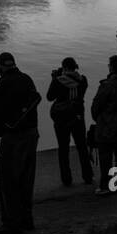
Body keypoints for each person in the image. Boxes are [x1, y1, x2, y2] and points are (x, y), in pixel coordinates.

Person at [0, 52, 41, 234]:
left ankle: (10, 222)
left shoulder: (3, 84)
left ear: (0, 66)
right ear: (14, 64)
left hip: (13, 138)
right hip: (32, 135)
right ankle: (26, 219)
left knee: (8, 181)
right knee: (26, 179)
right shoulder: (27, 79)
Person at [47, 57, 93, 187]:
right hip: (78, 117)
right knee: (82, 146)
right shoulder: (83, 80)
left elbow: (49, 97)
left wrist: (54, 78)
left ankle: (67, 179)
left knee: (63, 148)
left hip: (62, 118)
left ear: (65, 67)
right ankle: (88, 176)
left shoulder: (58, 81)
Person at [91, 55, 117, 195]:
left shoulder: (107, 85)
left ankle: (105, 186)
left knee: (105, 158)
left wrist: (99, 119)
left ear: (111, 67)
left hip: (106, 127)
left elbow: (96, 107)